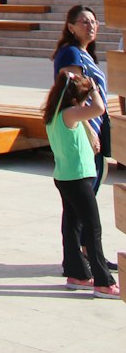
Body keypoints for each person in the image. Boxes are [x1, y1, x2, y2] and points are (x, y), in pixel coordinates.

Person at [43, 68, 118, 296]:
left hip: (64, 177)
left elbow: (83, 114)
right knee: (93, 229)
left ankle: (77, 273)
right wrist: (95, 89)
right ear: (75, 100)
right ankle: (103, 282)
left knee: (72, 225)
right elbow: (99, 109)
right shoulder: (70, 113)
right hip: (78, 178)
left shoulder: (55, 112)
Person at [52, 5, 110, 192]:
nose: (91, 26)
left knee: (80, 204)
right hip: (83, 131)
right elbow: (73, 96)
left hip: (93, 126)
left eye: (94, 22)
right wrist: (89, 131)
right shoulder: (71, 54)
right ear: (71, 28)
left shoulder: (84, 54)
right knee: (83, 198)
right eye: (84, 22)